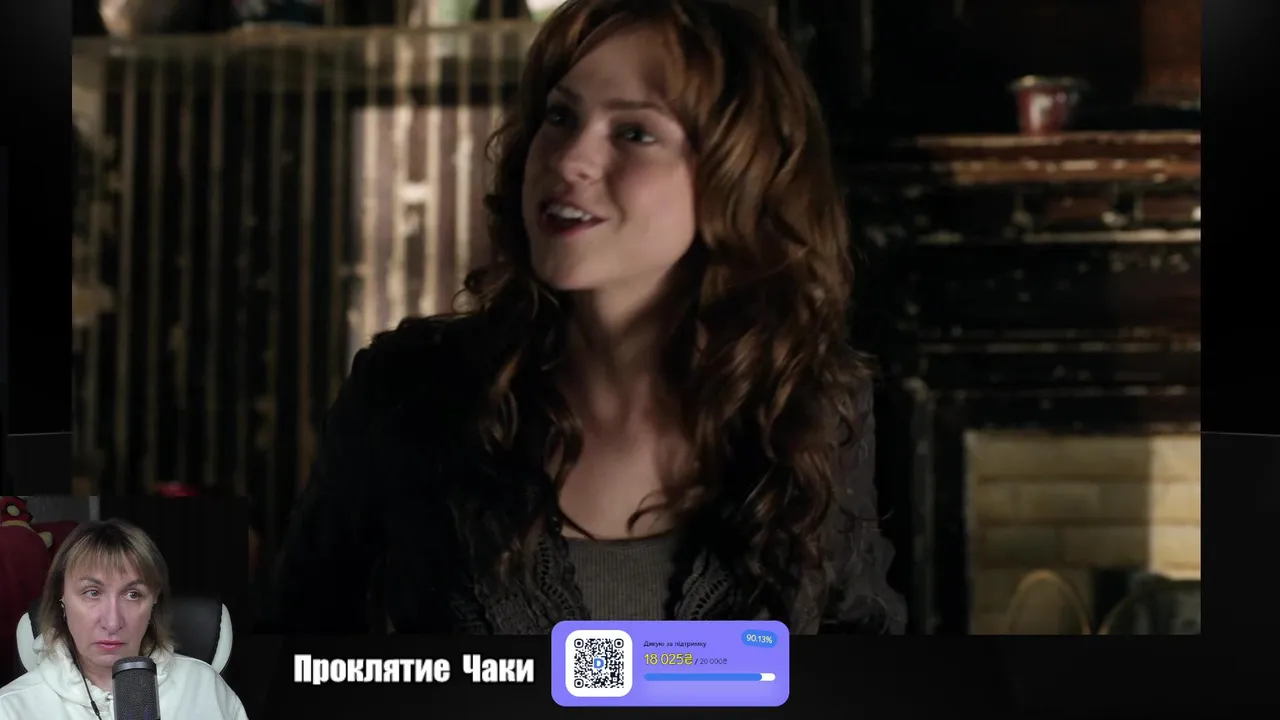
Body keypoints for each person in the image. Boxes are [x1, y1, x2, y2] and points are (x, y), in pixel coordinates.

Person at [267, 0, 905, 635]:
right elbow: (292, 657)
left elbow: (862, 654)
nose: (569, 158)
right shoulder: (410, 392)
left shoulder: (809, 405)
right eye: (560, 116)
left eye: (634, 133)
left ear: (736, 176)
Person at [0, 519, 249, 719]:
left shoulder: (205, 688)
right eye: (92, 593)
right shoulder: (11, 709)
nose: (112, 623)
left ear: (154, 602)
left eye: (132, 594)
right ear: (60, 598)